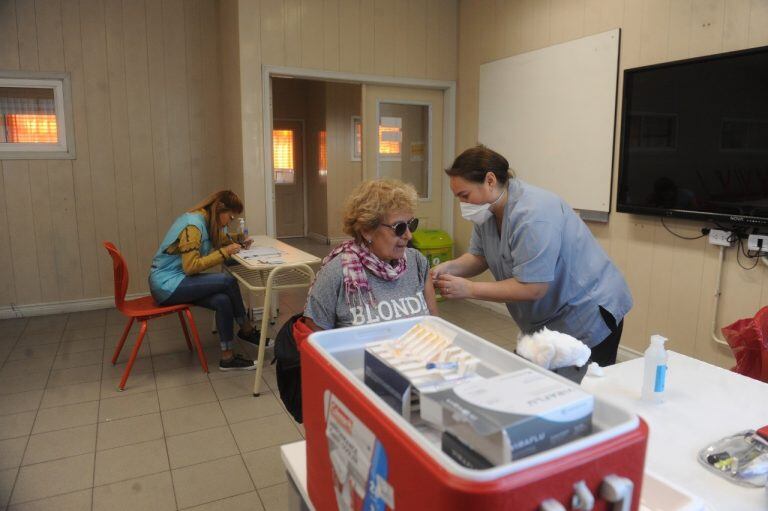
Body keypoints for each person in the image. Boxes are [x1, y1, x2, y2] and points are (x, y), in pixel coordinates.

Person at [432, 145, 632, 366]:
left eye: (464, 195)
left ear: (490, 181)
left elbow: (533, 287)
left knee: (580, 389)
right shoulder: (488, 212)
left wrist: (469, 289)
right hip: (548, 318)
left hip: (587, 312)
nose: (463, 204)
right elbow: (480, 257)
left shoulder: (533, 215)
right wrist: (448, 268)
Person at [303, 179, 438, 331]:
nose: (409, 235)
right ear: (367, 230)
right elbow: (316, 339)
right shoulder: (336, 273)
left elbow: (432, 325)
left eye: (411, 225)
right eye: (399, 228)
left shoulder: (417, 262)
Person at [149, 190, 261, 371]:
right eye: (230, 217)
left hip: (179, 281)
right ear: (220, 211)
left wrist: (238, 239)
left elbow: (215, 238)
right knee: (227, 281)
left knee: (222, 300)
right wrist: (225, 252)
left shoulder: (204, 220)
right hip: (166, 285)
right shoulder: (193, 226)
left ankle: (227, 358)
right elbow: (191, 267)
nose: (230, 221)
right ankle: (246, 330)